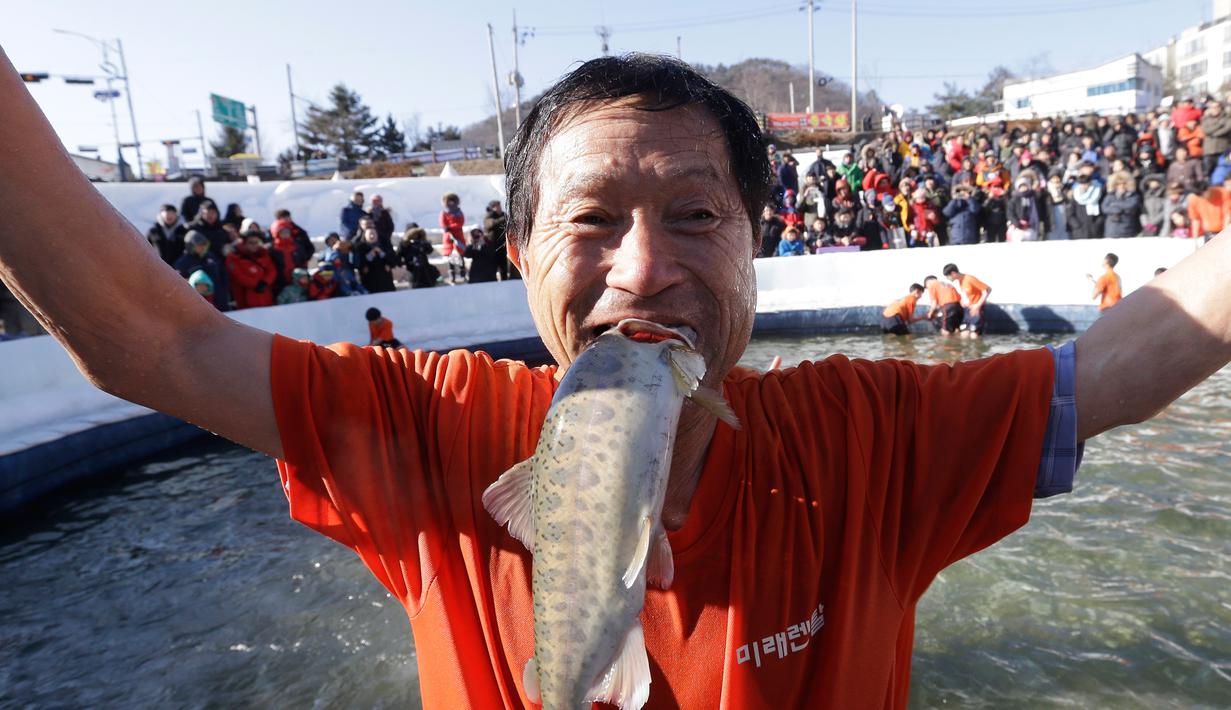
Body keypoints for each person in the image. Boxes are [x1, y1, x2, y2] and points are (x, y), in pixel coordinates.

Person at [6, 51, 1231, 709]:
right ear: (517, 252)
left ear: (760, 237)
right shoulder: (435, 422)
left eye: (697, 213)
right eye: (590, 219)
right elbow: (149, 342)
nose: (642, 270)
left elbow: (1130, 359)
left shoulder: (870, 425)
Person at [172, 231, 226, 312]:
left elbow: (223, 273)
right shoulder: (182, 263)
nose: (203, 247)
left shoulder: (211, 257)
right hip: (197, 304)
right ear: (190, 246)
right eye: (199, 245)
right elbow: (179, 285)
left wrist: (224, 289)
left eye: (204, 244)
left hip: (219, 300)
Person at [226, 232, 278, 310]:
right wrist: (255, 284)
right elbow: (238, 275)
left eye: (256, 242)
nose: (254, 245)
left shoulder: (264, 254)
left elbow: (272, 271)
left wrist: (265, 282)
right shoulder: (233, 258)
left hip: (264, 295)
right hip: (245, 297)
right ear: (244, 243)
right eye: (251, 243)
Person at [943, 262, 992, 337]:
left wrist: (977, 306)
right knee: (964, 333)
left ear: (953, 273)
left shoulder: (970, 279)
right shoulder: (960, 280)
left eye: (948, 276)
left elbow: (987, 290)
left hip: (976, 310)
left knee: (974, 334)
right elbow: (967, 293)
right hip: (967, 310)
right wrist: (962, 300)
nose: (947, 279)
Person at [355, 226, 397, 293]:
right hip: (370, 281)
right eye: (369, 234)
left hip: (385, 281)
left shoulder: (384, 245)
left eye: (374, 234)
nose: (372, 236)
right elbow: (359, 263)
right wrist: (371, 254)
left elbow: (392, 260)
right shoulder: (361, 247)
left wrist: (381, 253)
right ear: (365, 236)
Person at [440, 193, 467, 284]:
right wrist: (450, 228)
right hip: (449, 237)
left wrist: (451, 226)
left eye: (453, 201)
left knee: (460, 255)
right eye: (449, 201)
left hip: (458, 236)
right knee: (451, 257)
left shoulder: (459, 212)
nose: (451, 203)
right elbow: (443, 224)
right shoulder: (444, 212)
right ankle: (452, 275)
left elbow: (461, 222)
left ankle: (463, 274)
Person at [484, 200, 514, 280]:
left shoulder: (504, 215)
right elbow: (491, 224)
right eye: (495, 206)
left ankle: (505, 282)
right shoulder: (489, 216)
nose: (498, 208)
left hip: (502, 246)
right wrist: (503, 219)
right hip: (492, 247)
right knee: (493, 267)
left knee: (503, 267)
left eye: (499, 206)